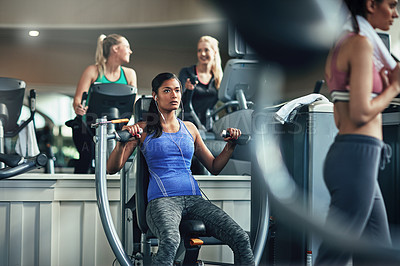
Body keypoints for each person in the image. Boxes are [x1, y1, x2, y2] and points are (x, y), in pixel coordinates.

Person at [107, 73, 254, 265]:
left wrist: (231, 146)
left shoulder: (190, 129)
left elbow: (214, 166)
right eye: (167, 90)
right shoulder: (143, 129)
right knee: (171, 241)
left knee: (240, 237)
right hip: (162, 201)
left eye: (177, 90)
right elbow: (112, 168)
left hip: (194, 200)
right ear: (155, 96)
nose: (174, 95)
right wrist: (122, 142)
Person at [315, 0, 400, 265]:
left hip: (356, 155)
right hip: (357, 155)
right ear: (371, 5)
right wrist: (395, 87)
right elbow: (362, 113)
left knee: (377, 251)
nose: (395, 13)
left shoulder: (342, 43)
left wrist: (386, 86)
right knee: (335, 255)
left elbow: (348, 110)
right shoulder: (360, 44)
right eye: (392, 5)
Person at [71, 33, 137, 174]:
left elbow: (133, 105)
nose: (130, 51)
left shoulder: (130, 74)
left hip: (117, 128)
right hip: (90, 128)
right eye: (127, 47)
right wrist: (79, 107)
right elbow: (78, 99)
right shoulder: (93, 71)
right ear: (115, 49)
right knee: (87, 158)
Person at [179, 35, 223, 128]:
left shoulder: (218, 77)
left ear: (214, 52)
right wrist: (187, 90)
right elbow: (179, 103)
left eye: (206, 50)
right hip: (188, 123)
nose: (202, 54)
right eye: (199, 50)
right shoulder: (187, 73)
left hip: (209, 125)